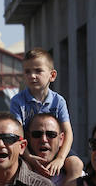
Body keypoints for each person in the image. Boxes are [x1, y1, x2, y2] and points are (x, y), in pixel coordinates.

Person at [10, 48, 74, 178]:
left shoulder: (58, 101)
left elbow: (68, 133)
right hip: (28, 150)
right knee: (24, 169)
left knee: (76, 165)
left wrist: (60, 158)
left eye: (38, 71)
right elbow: (17, 134)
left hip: (55, 150)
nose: (32, 76)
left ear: (52, 75)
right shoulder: (17, 101)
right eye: (27, 72)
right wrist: (28, 157)